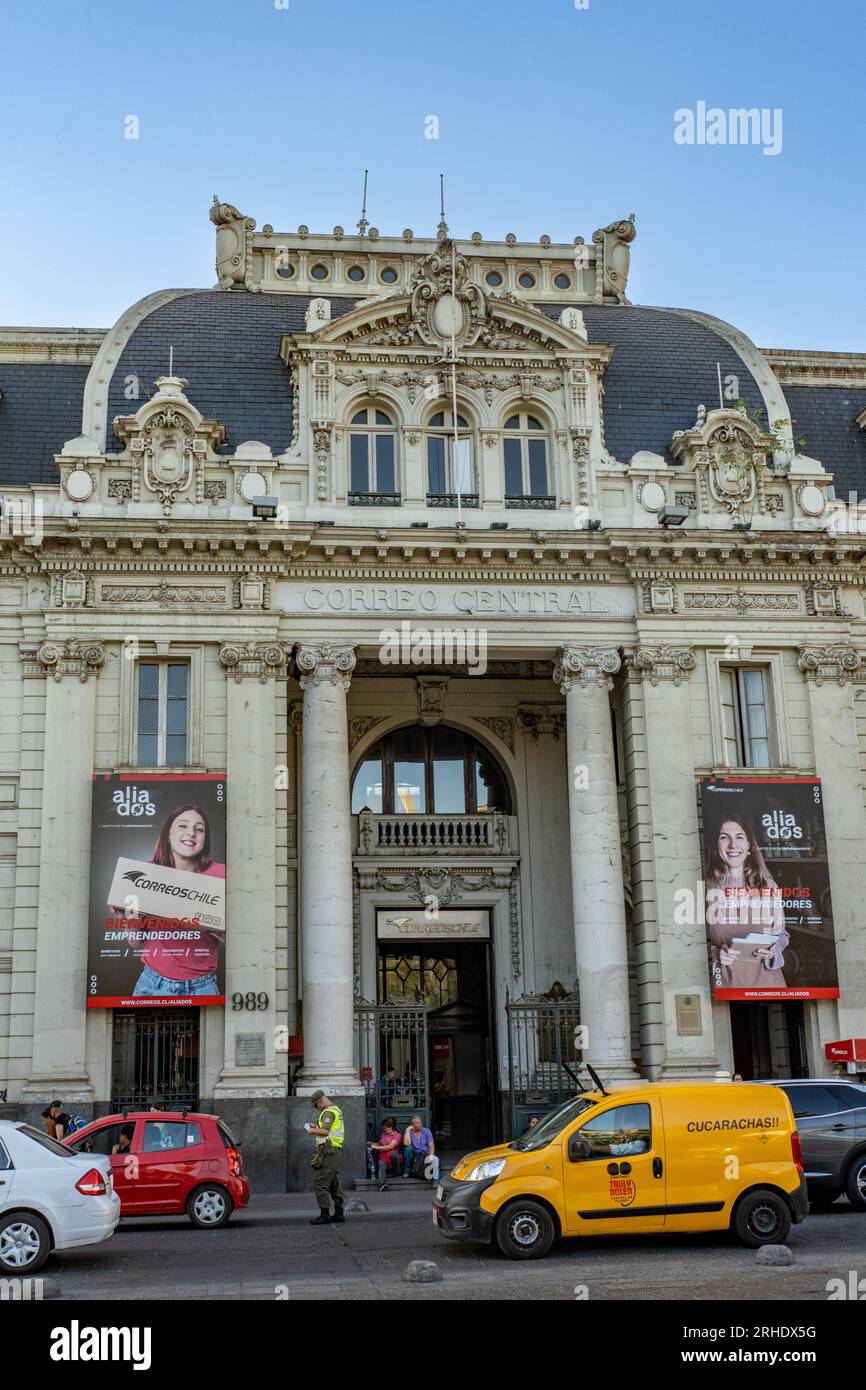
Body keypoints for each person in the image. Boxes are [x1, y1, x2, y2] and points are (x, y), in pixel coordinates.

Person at [130, 804, 225, 999]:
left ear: (204, 839)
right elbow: (135, 942)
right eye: (183, 826)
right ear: (168, 834)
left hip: (202, 987)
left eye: (199, 829)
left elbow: (240, 941)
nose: (191, 833)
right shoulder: (147, 873)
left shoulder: (220, 874)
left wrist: (213, 926)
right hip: (151, 982)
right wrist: (131, 916)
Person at [706, 816, 788, 990]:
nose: (733, 845)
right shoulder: (706, 887)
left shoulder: (768, 885)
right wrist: (715, 954)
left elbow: (781, 934)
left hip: (768, 984)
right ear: (716, 845)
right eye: (724, 837)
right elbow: (693, 944)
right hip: (727, 984)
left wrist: (774, 950)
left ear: (750, 845)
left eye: (739, 837)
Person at [306, 1090, 346, 1225]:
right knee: (334, 1182)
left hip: (328, 1151)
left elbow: (325, 1131)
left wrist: (312, 1131)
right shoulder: (335, 1109)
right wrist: (316, 1125)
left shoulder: (328, 1112)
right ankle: (339, 1213)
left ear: (321, 1102)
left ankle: (324, 1214)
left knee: (320, 1182)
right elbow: (327, 1128)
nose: (317, 1109)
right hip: (334, 1150)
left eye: (316, 1106)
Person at [402, 1115, 439, 1181]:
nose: (420, 1124)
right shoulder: (409, 1132)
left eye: (420, 1122)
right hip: (415, 1154)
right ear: (412, 1125)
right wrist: (407, 1130)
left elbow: (431, 1144)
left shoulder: (426, 1131)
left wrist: (431, 1155)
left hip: (425, 1154)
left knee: (435, 1159)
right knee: (407, 1149)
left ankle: (435, 1181)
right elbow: (407, 1144)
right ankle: (407, 1171)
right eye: (417, 1123)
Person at [370, 1117, 403, 1190]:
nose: (383, 1129)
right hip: (383, 1156)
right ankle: (382, 1183)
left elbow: (391, 1146)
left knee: (393, 1154)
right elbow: (378, 1143)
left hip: (393, 1158)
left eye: (385, 1128)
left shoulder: (397, 1135)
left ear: (390, 1127)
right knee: (381, 1164)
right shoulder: (384, 1134)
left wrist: (377, 1148)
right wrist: (371, 1144)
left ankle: (397, 1173)